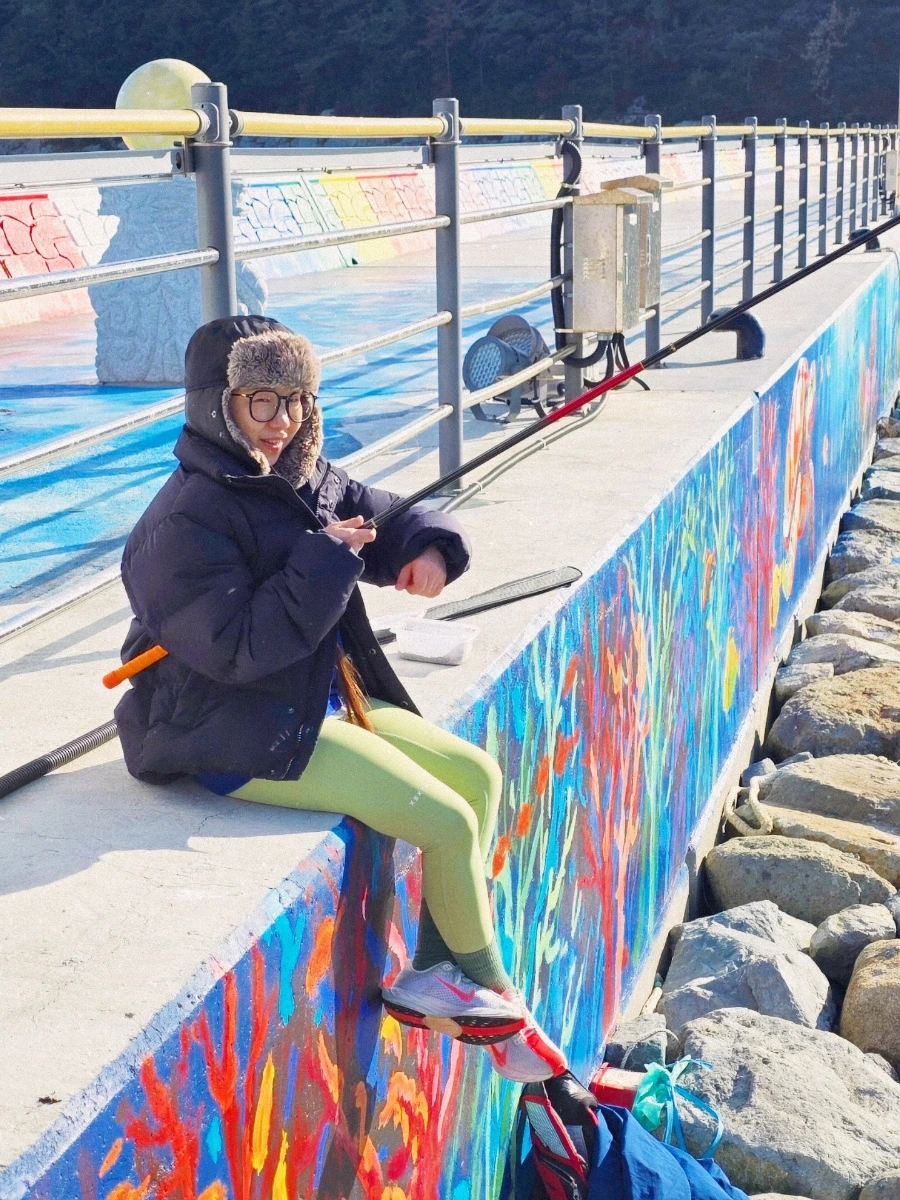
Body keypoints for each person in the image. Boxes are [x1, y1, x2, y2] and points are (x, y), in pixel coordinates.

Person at [115, 315, 566, 1083]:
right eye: (261, 400)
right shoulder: (182, 520)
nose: (283, 420)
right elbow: (238, 650)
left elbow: (383, 512)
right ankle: (502, 1007)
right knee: (446, 821)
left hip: (311, 698)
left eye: (296, 400)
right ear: (216, 405)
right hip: (227, 728)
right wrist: (325, 561)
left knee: (478, 778)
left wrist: (427, 548)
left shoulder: (304, 476)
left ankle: (440, 971)